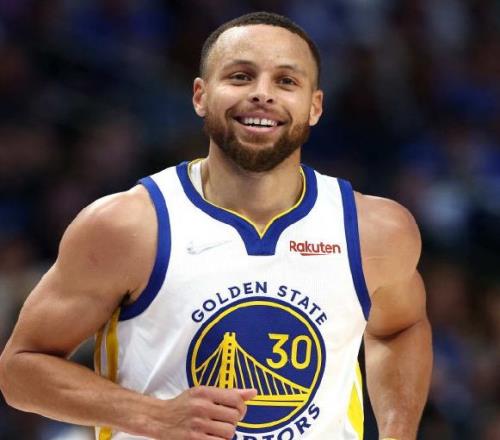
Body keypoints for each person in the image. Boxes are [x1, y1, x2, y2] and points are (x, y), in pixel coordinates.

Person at [0, 11, 432, 440]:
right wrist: (152, 416)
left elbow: (400, 328)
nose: (262, 94)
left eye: (286, 81)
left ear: (314, 106)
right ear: (200, 96)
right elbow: (19, 370)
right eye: (241, 77)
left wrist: (398, 432)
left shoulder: (374, 229)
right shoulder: (128, 226)